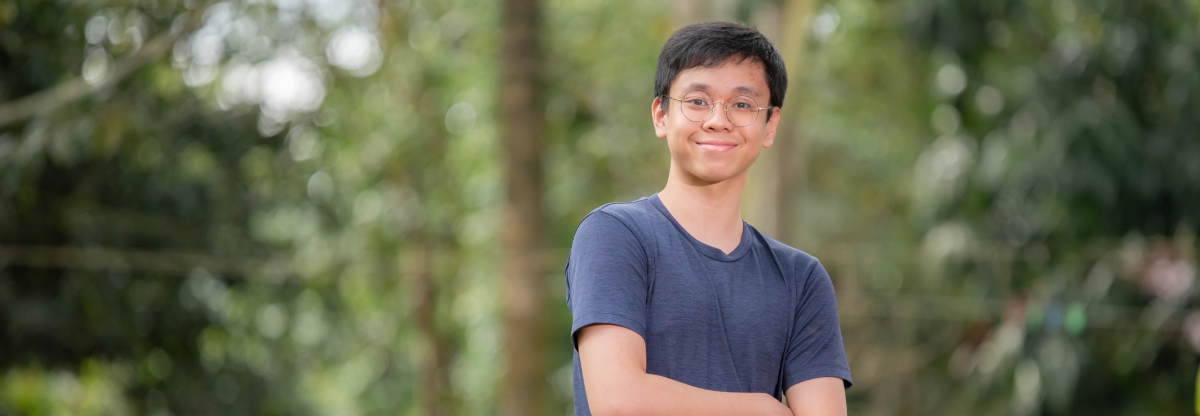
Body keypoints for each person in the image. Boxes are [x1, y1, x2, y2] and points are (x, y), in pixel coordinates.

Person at [564, 22, 853, 416]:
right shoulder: (615, 235)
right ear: (661, 115)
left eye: (742, 104)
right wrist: (761, 409)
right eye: (697, 101)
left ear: (769, 126)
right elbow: (618, 401)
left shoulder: (800, 279)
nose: (719, 120)